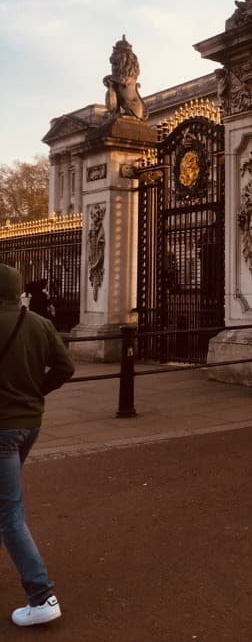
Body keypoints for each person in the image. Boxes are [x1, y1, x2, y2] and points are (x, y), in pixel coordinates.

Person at [0, 264, 75, 625]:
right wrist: (34, 392)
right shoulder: (40, 324)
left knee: (9, 513)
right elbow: (65, 368)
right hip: (30, 424)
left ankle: (41, 595)